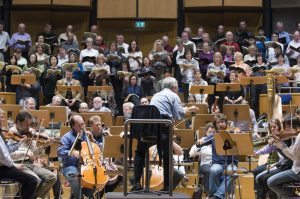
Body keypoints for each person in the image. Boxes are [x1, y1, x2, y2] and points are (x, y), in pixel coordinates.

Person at [131, 77, 198, 191]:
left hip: (148, 129)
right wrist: (188, 109)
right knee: (167, 156)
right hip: (162, 130)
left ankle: (136, 183)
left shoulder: (156, 95)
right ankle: (167, 186)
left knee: (140, 153)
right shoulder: (174, 96)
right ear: (175, 87)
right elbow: (179, 116)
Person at [8, 111, 57, 198]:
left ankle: (32, 197)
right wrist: (24, 153)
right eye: (26, 124)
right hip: (18, 164)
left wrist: (45, 145)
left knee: (52, 177)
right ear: (18, 122)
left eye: (30, 124)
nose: (29, 127)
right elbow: (9, 154)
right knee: (35, 180)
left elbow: (34, 153)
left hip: (30, 164)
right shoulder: (10, 134)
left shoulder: (29, 134)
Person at [0, 109, 38, 199]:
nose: (3, 119)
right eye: (1, 117)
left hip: (6, 166)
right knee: (32, 181)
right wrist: (14, 165)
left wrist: (20, 142)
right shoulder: (8, 132)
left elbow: (7, 149)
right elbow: (2, 157)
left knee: (33, 180)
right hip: (2, 168)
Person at [198, 114, 238, 199]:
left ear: (226, 123)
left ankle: (217, 196)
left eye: (222, 122)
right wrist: (199, 141)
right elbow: (199, 144)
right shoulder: (213, 136)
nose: (220, 124)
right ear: (216, 124)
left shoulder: (232, 133)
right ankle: (215, 195)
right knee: (213, 170)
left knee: (233, 171)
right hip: (218, 163)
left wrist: (237, 134)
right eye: (218, 122)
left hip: (231, 163)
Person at [58, 115, 95, 199]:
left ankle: (78, 193)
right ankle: (79, 196)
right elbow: (60, 152)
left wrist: (92, 139)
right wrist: (71, 152)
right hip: (70, 165)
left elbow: (97, 149)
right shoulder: (66, 137)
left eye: (83, 124)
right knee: (73, 176)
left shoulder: (87, 135)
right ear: (73, 126)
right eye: (79, 125)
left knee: (96, 177)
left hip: (87, 165)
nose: (82, 127)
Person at [189, 122, 214, 195]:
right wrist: (196, 148)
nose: (211, 134)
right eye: (210, 132)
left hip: (216, 163)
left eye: (213, 132)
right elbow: (192, 152)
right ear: (206, 132)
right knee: (208, 171)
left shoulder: (217, 140)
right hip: (205, 164)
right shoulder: (202, 140)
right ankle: (209, 194)